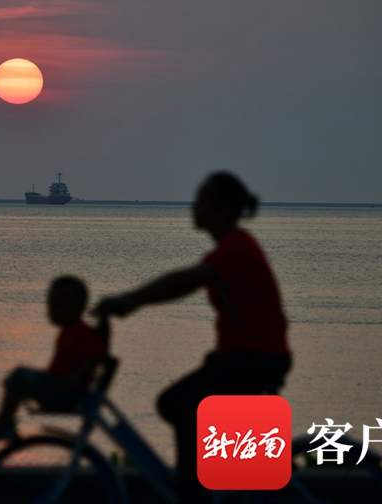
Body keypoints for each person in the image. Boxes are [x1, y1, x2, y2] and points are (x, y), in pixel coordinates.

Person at [94, 171, 291, 504]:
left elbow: (184, 281)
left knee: (183, 406)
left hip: (256, 357)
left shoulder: (236, 248)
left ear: (224, 209)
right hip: (241, 356)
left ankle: (194, 493)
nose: (194, 207)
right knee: (174, 403)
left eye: (202, 200)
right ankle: (229, 479)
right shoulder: (231, 248)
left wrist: (131, 300)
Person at [0, 275, 109, 441]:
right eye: (51, 304)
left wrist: (77, 377)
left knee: (19, 376)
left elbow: (98, 354)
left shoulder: (80, 332)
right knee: (20, 378)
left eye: (59, 305)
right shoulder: (70, 331)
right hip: (58, 387)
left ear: (78, 307)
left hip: (63, 392)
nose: (52, 310)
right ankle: (4, 423)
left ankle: (4, 423)